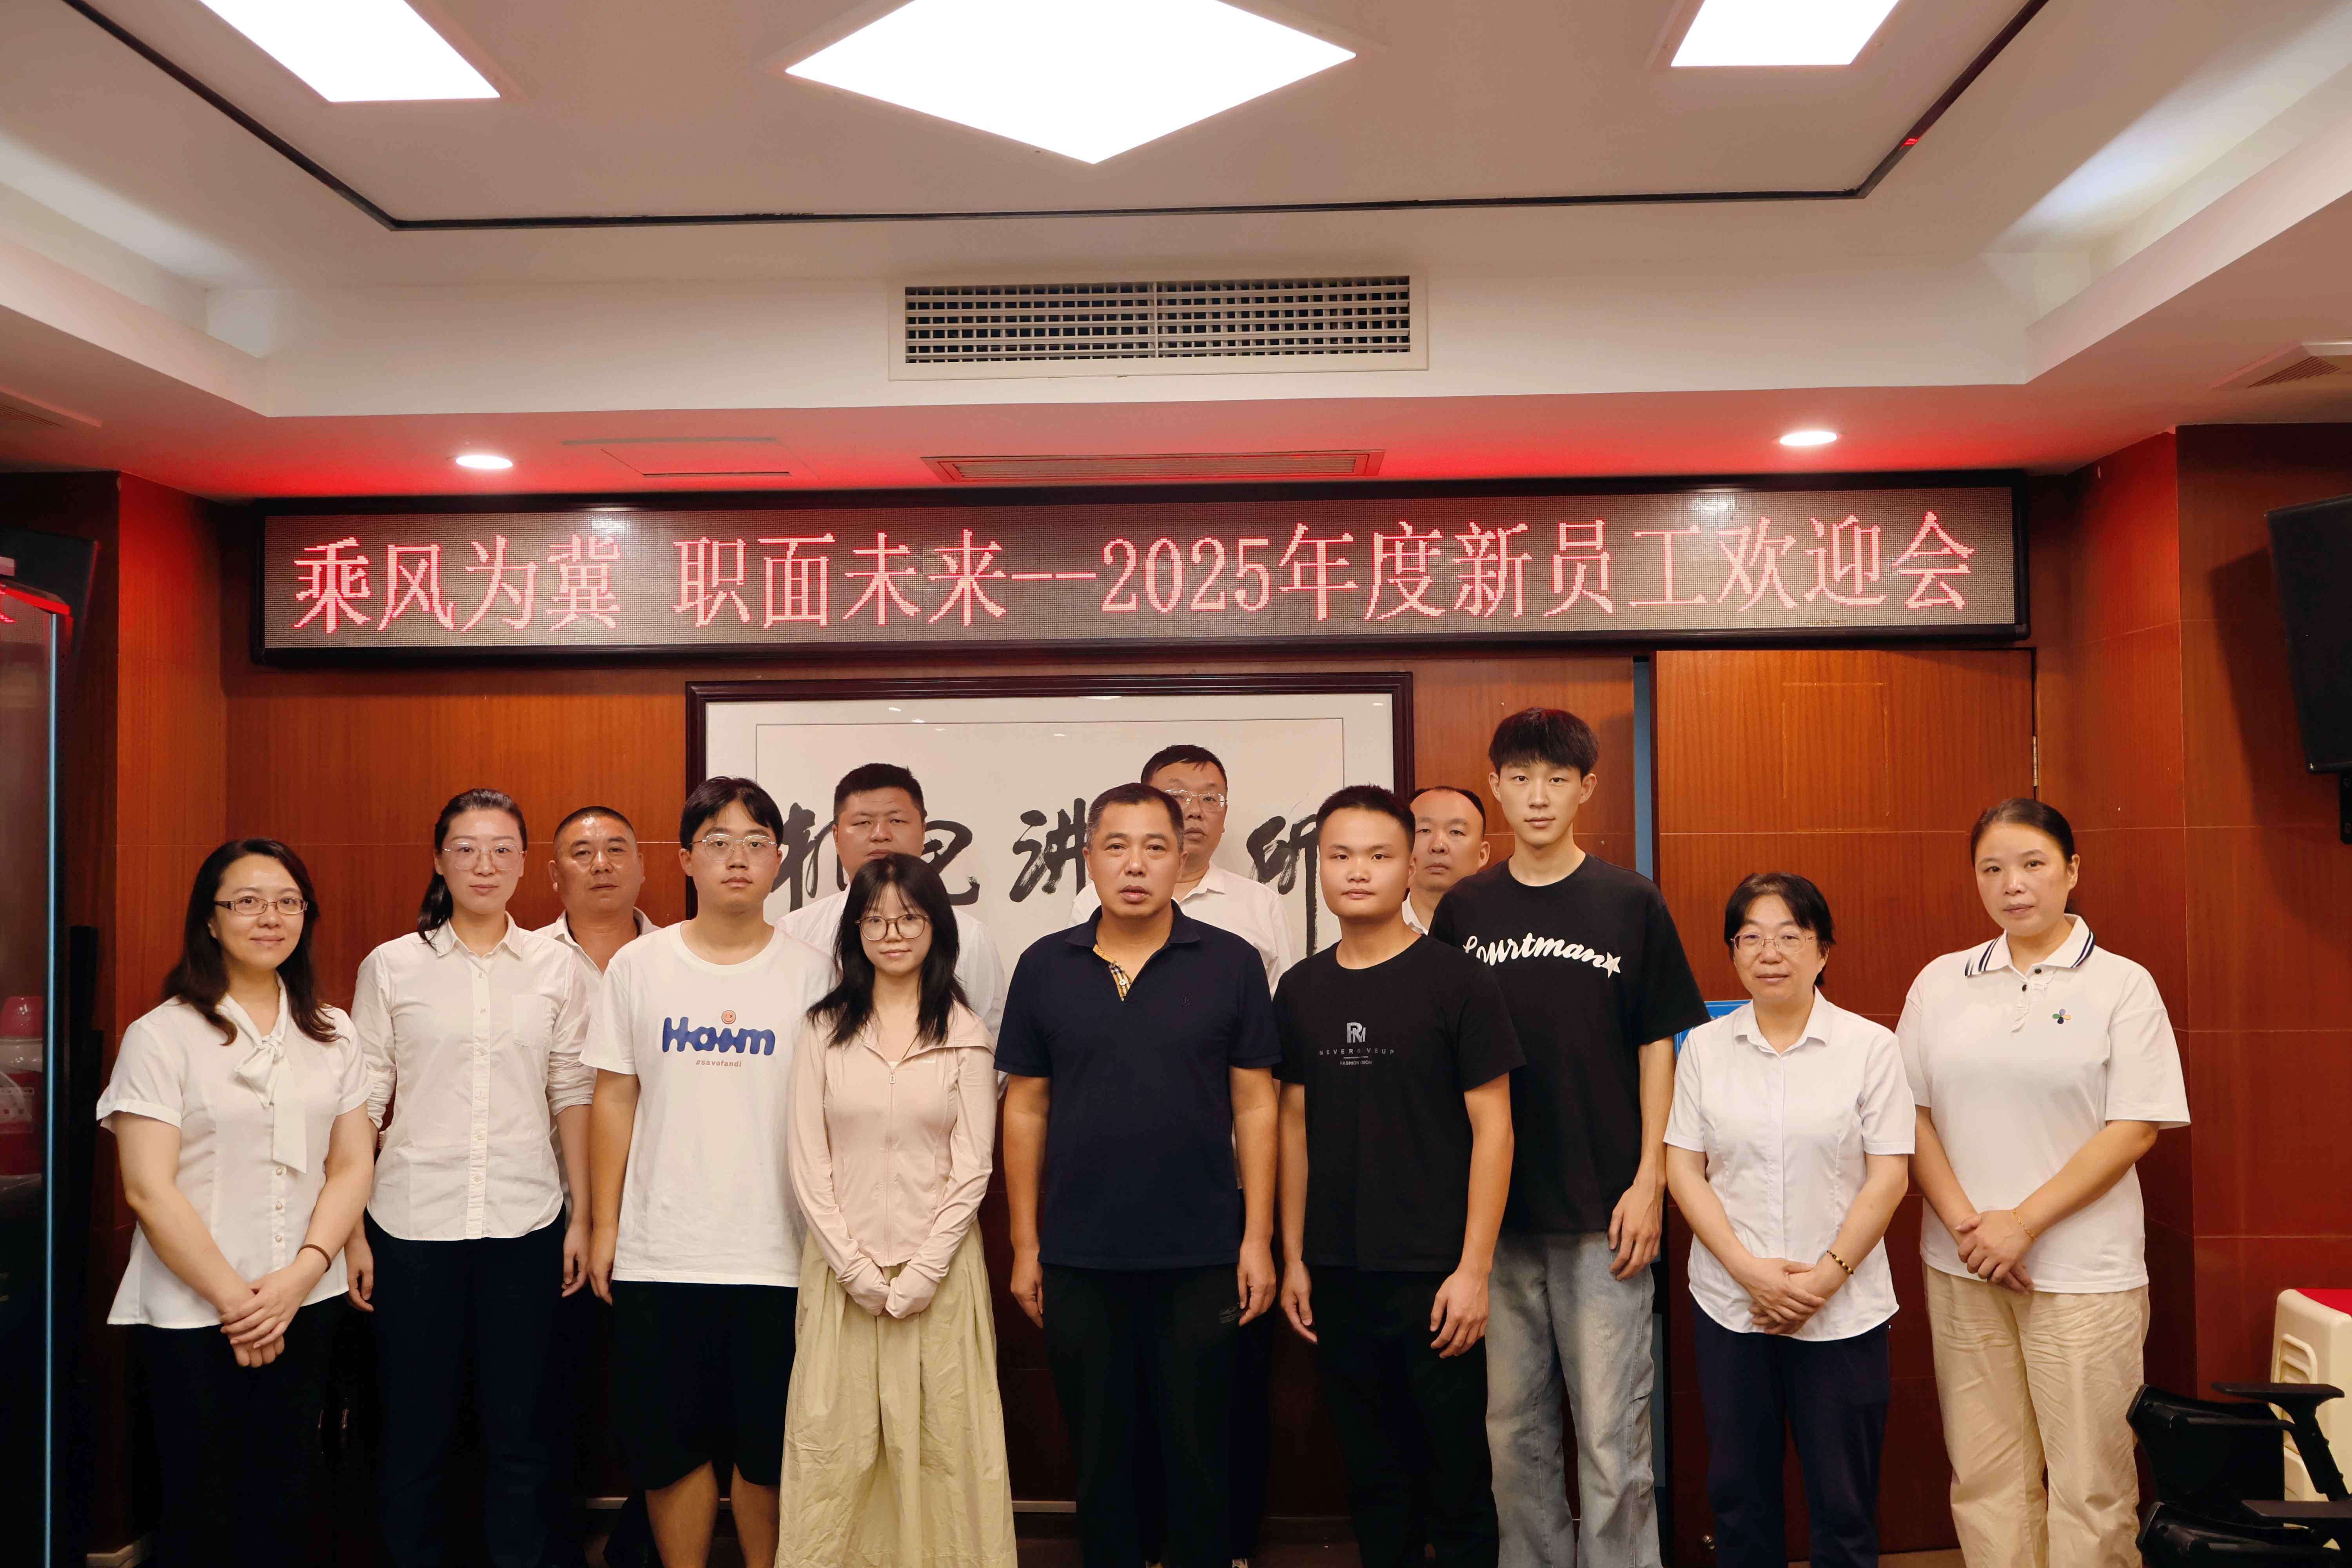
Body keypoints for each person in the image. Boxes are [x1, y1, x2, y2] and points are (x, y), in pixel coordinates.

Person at [1427, 707, 1708, 1568]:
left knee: (1612, 1438)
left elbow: (1658, 1044)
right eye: (1520, 778)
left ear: (1587, 787)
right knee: (1513, 1436)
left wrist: (1649, 1181)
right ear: (1497, 785)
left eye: (1557, 779)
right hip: (1499, 1219)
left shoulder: (1630, 900)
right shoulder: (1465, 909)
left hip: (1605, 1213)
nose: (1538, 796)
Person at [1000, 782, 1282, 1568]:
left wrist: (1256, 1238)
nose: (1135, 864)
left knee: (1200, 1458)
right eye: (1116, 846)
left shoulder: (1229, 962)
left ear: (1180, 857)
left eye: (1155, 847)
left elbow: (1257, 1104)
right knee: (1101, 1462)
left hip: (1202, 1253)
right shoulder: (1045, 965)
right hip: (1080, 1255)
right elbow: (1025, 1109)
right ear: (1087, 857)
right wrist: (1025, 1244)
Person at [1900, 799, 2189, 1568]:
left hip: (2083, 1276)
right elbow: (1910, 1117)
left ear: (2071, 870)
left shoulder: (2122, 985)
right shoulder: (1941, 983)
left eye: (2032, 864)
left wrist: (2021, 1223)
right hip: (1963, 1266)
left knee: (2091, 1485)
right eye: (1992, 869)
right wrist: (1972, 1230)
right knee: (1986, 1479)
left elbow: (2134, 1127)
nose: (2013, 885)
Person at [97, 839, 375, 1568]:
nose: (270, 917)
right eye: (247, 902)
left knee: (290, 1497)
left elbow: (351, 1164)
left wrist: (302, 1274)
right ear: (210, 920)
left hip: (306, 1299)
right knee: (202, 1508)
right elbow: (147, 1187)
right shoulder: (163, 1036)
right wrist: (237, 1301)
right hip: (194, 1310)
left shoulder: (334, 1031)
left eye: (287, 902)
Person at [344, 788, 596, 1568]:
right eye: (465, 847)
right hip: (410, 1224)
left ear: (525, 864)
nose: (484, 864)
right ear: (438, 860)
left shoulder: (559, 968)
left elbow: (572, 1094)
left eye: (501, 849)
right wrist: (350, 1232)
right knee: (413, 1431)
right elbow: (363, 1101)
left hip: (527, 1224)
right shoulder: (392, 965)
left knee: (521, 1430)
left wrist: (584, 1218)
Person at [585, 776, 833, 1568]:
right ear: (686, 858)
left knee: (769, 1451)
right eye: (718, 842)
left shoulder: (816, 973)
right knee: (670, 1448)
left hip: (781, 1254)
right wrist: (604, 1224)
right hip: (662, 1251)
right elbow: (615, 1094)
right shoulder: (639, 966)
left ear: (780, 859)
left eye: (756, 842)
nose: (738, 857)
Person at [1275, 786, 1519, 1568]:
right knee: (1373, 1479)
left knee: (1458, 1477)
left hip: (1436, 1276)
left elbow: (1495, 1129)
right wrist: (1294, 1256)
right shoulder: (1301, 989)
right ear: (1319, 867)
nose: (1358, 871)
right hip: (1337, 1271)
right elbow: (1290, 1125)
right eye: (1340, 856)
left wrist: (1474, 1270)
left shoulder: (1459, 981)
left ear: (1410, 867)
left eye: (1379, 856)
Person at [1664, 873, 1913, 1568]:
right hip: (1731, 1308)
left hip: (1843, 1313)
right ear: (1733, 951)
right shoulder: (1705, 1047)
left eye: (1789, 936)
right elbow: (1684, 1169)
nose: (1769, 953)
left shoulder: (1870, 1047)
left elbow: (1889, 1176)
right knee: (1740, 1499)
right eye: (1751, 938)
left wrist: (1823, 1281)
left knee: (1844, 1505)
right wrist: (1750, 1274)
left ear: (1823, 950)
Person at [776, 853, 1016, 1568]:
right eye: (875, 920)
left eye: (909, 918)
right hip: (841, 1276)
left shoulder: (965, 1033)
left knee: (945, 1453)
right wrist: (852, 1267)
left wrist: (923, 1271)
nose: (892, 933)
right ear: (855, 931)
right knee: (835, 1455)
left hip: (939, 1279)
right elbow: (807, 1160)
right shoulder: (823, 1029)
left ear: (936, 927)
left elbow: (973, 1167)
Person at [535, 804, 656, 1568]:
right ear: (554, 875)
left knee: (656, 1388)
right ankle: (551, 1540)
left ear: (644, 866)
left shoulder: (680, 956)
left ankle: (644, 1540)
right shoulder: (525, 958)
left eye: (616, 848)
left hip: (659, 1205)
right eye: (582, 852)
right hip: (550, 1208)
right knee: (553, 1387)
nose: (602, 863)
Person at [780, 762, 1008, 1036]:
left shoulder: (970, 937)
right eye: (863, 823)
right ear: (837, 837)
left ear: (923, 831)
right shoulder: (796, 932)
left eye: (897, 821)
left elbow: (991, 1039)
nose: (880, 835)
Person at [1405, 784, 1492, 936]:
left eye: (1456, 832)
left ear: (1482, 855)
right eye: (1424, 830)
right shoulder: (1375, 931)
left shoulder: (1504, 932)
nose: (1438, 846)